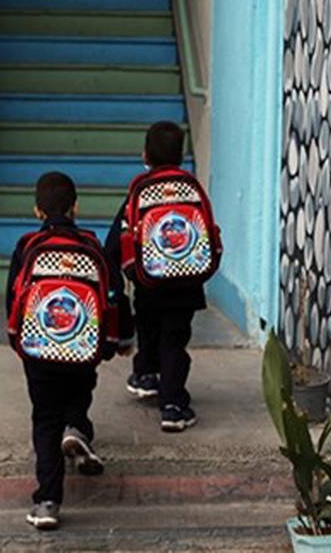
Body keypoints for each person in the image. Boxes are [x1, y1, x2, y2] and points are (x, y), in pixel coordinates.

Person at [6, 172, 134, 530]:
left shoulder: (27, 247)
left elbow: (13, 300)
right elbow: (115, 294)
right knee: (78, 391)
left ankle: (47, 502)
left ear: (37, 211)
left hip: (39, 352)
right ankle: (76, 427)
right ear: (76, 208)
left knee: (45, 419)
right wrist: (121, 339)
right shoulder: (91, 246)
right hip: (82, 349)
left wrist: (19, 341)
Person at [105, 121, 214, 432]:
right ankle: (174, 404)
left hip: (148, 283)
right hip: (186, 285)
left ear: (145, 155)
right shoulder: (191, 188)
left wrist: (117, 282)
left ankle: (149, 379)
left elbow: (115, 243)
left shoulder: (140, 191)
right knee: (174, 341)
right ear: (181, 156)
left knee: (149, 331)